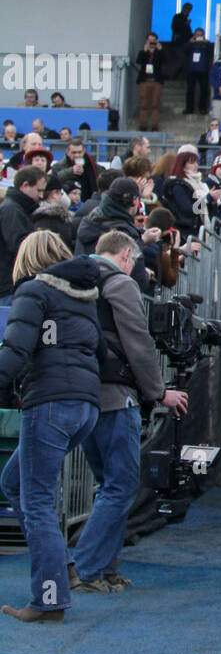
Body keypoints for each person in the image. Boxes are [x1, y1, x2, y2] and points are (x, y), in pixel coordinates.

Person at [70, 230, 188, 590]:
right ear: (125, 256)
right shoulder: (119, 283)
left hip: (80, 393)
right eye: (134, 262)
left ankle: (106, 567)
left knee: (109, 486)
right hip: (114, 395)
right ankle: (86, 569)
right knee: (120, 487)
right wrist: (158, 391)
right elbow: (137, 340)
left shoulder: (72, 278)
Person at [0, 232, 104, 622]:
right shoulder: (84, 298)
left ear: (26, 260)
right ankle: (65, 569)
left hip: (48, 404)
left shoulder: (33, 292)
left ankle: (48, 599)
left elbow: (14, 351)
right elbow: (101, 351)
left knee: (37, 502)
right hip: (85, 408)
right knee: (15, 484)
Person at [0, 166, 47, 305]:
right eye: (39, 190)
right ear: (25, 185)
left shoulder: (17, 209)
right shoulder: (12, 210)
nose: (41, 196)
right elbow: (21, 246)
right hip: (9, 286)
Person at [134, 32, 164, 132]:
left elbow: (165, 61)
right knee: (144, 104)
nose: (151, 42)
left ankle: (155, 125)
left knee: (155, 104)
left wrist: (160, 50)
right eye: (150, 40)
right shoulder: (143, 52)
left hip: (156, 81)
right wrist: (145, 50)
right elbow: (138, 61)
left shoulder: (159, 53)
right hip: (144, 80)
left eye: (153, 40)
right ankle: (143, 125)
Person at [184, 28, 214, 116]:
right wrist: (190, 42)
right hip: (192, 70)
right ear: (194, 35)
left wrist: (207, 42)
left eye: (200, 35)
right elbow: (184, 50)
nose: (199, 37)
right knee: (190, 90)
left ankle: (203, 109)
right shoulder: (191, 44)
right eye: (197, 34)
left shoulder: (206, 44)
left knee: (204, 90)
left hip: (203, 70)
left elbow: (213, 51)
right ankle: (189, 109)